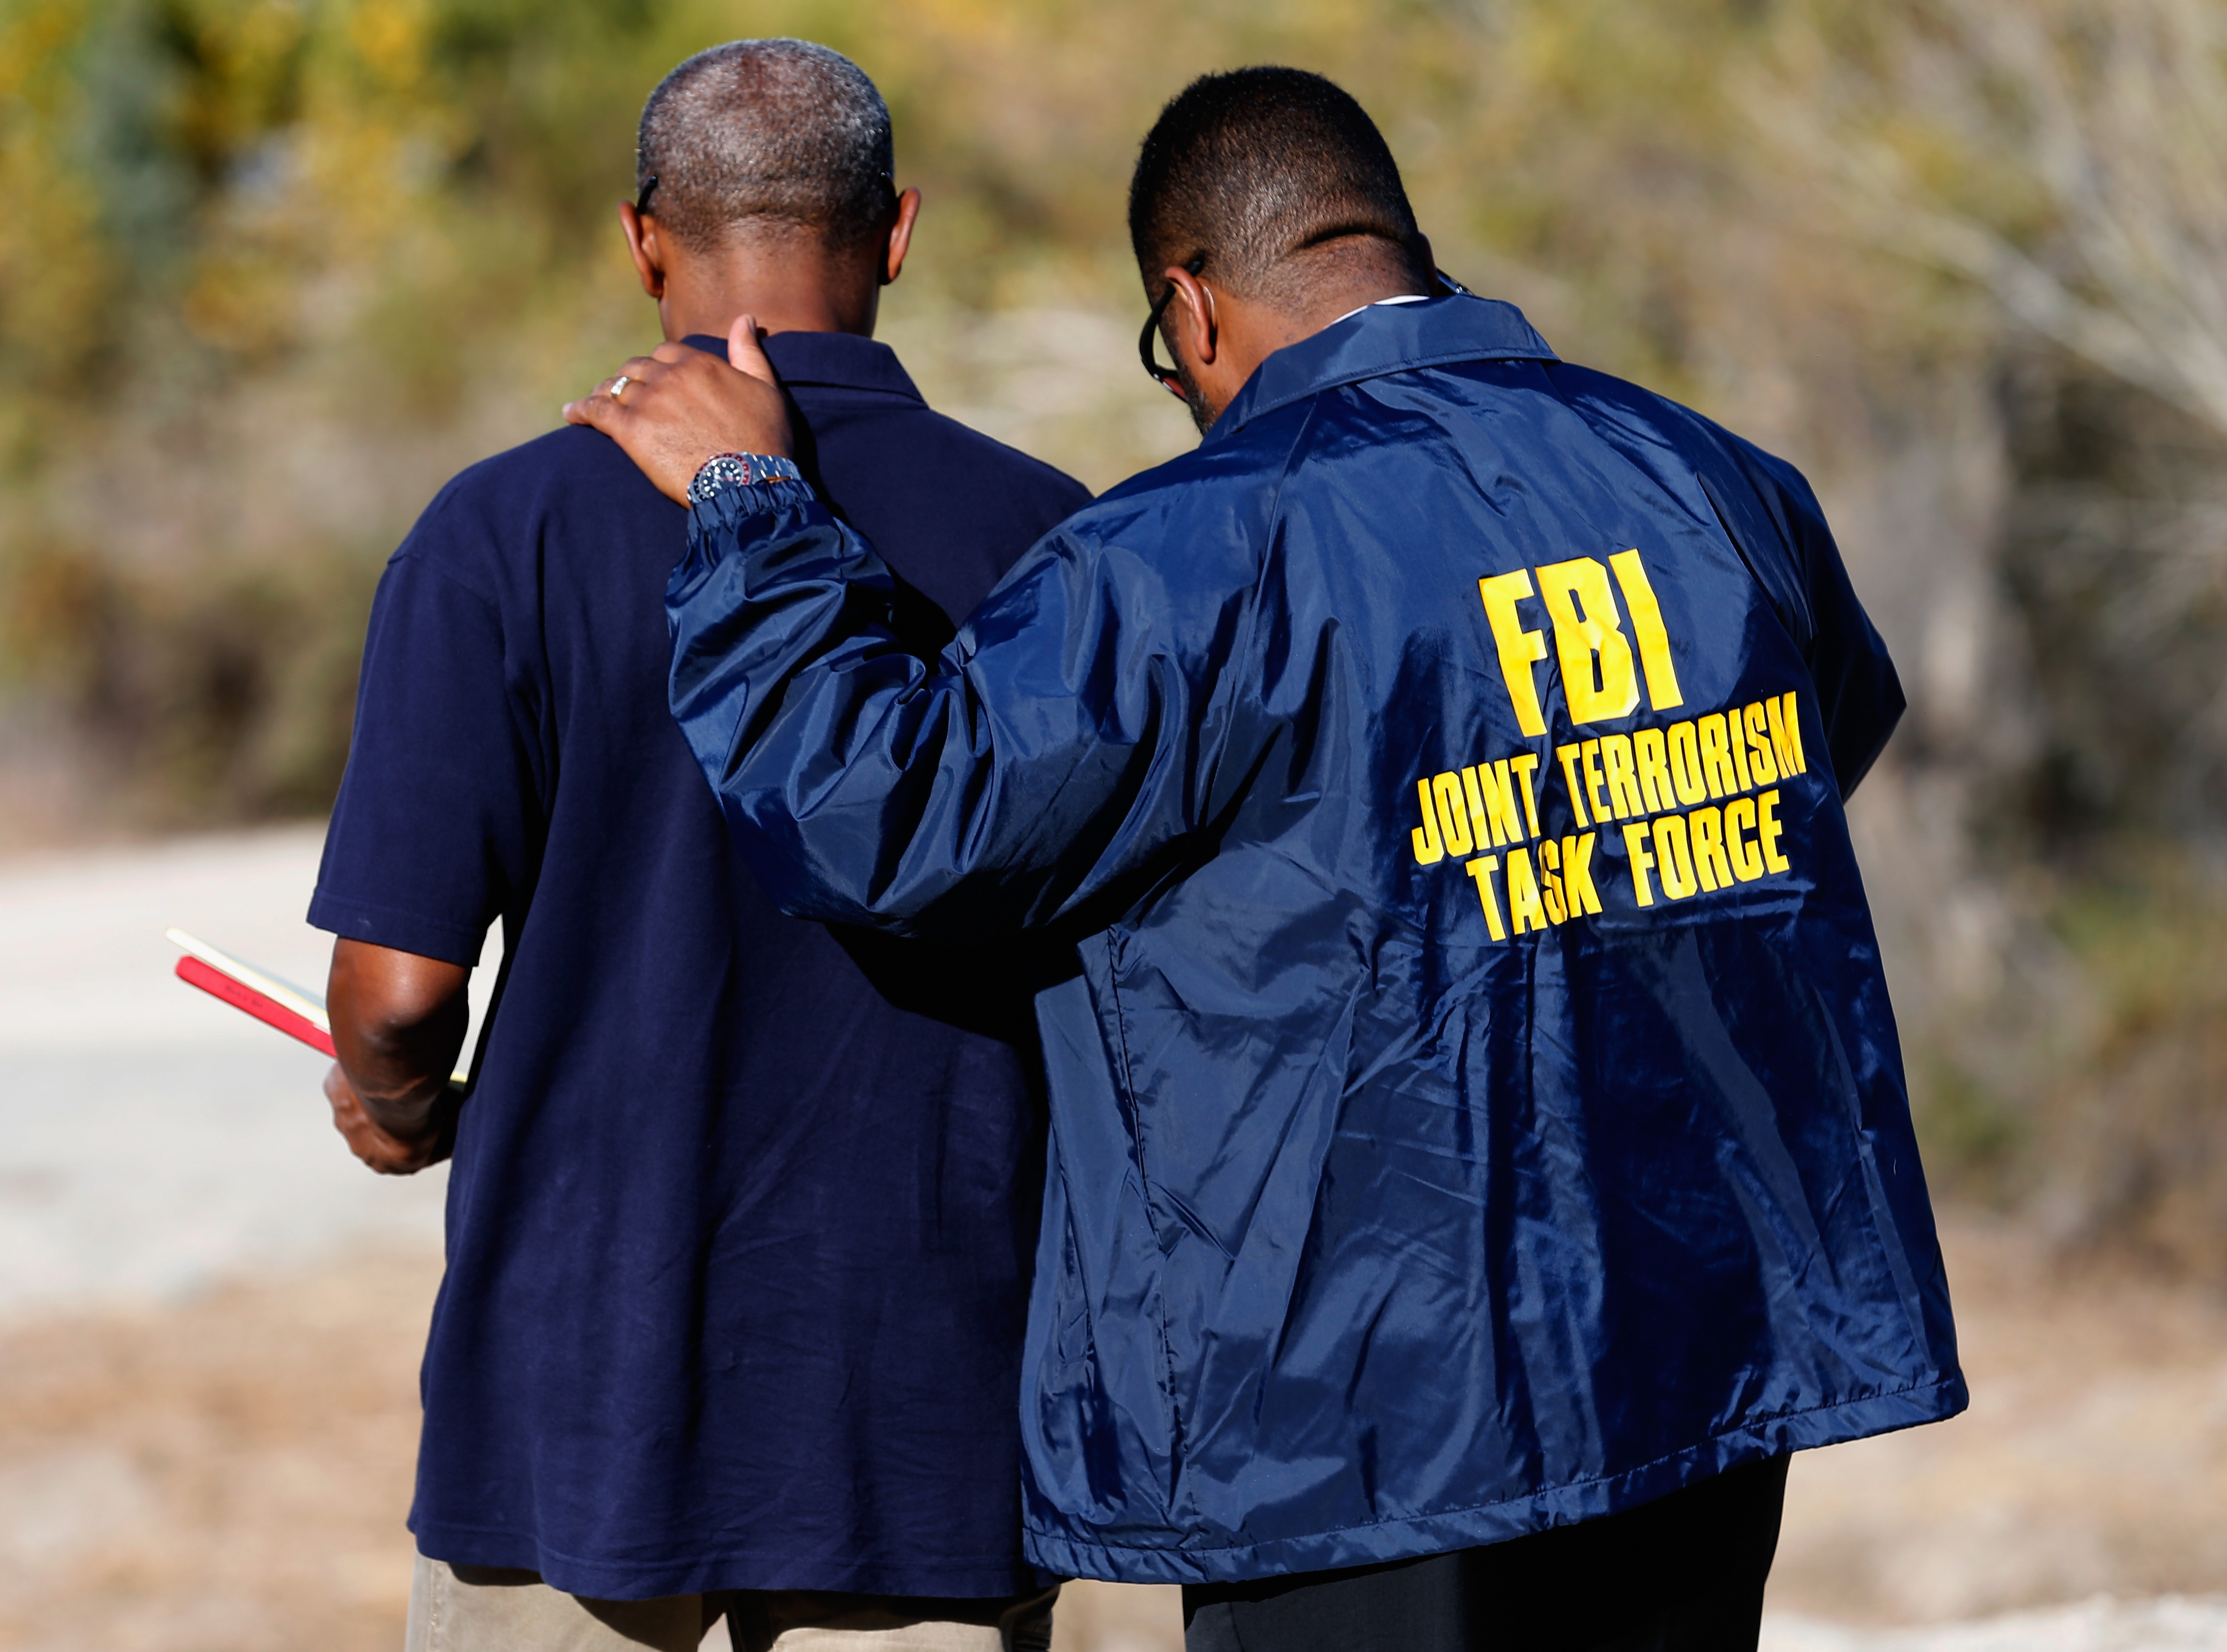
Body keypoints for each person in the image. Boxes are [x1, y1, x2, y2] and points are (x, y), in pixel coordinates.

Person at [569, 65, 1966, 1652]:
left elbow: (887, 817)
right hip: (1696, 1351)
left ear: (1192, 308)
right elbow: (1815, 752)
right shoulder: (1715, 481)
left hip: (1348, 1411)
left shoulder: (1188, 552)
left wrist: (752, 504)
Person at [312, 38, 1085, 1652]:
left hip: (575, 1416)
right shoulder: (1054, 536)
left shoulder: (498, 534)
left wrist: (398, 1106)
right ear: (896, 232)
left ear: (642, 238)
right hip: (924, 1408)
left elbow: (395, 997)